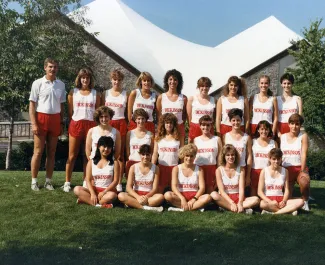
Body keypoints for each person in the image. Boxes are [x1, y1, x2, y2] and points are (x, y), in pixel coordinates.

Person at [29, 58, 66, 191]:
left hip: (55, 119)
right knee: (38, 152)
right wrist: (34, 123)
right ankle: (34, 181)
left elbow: (62, 106)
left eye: (55, 67)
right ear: (45, 67)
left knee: (52, 152)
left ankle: (48, 181)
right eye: (50, 67)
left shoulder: (61, 84)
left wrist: (62, 122)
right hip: (41, 118)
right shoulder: (37, 83)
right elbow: (32, 104)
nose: (53, 69)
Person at [63, 68, 100, 192]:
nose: (85, 80)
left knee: (87, 155)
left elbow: (98, 112)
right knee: (72, 155)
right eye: (83, 77)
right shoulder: (73, 92)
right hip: (76, 124)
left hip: (90, 125)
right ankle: (67, 182)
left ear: (90, 80)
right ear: (79, 79)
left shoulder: (95, 93)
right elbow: (69, 112)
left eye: (87, 78)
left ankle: (86, 180)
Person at [210, 144, 260, 214]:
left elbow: (241, 189)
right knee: (213, 194)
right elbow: (221, 191)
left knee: (256, 199)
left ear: (235, 156)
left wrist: (240, 202)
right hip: (225, 198)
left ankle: (228, 208)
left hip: (238, 197)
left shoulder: (241, 169)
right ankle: (238, 209)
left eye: (233, 155)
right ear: (224, 157)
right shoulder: (219, 170)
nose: (231, 157)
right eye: (228, 155)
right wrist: (231, 202)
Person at [74, 136, 119, 208]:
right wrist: (92, 193)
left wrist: (104, 192)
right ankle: (99, 205)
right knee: (77, 189)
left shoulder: (115, 163)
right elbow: (88, 180)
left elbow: (116, 181)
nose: (106, 149)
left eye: (109, 147)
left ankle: (86, 200)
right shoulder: (91, 162)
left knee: (112, 196)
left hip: (107, 191)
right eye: (104, 146)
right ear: (98, 147)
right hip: (94, 190)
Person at [164, 144, 211, 212]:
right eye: (187, 155)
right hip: (180, 196)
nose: (189, 158)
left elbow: (202, 188)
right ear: (183, 156)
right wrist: (182, 198)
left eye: (191, 156)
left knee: (208, 197)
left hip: (194, 196)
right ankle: (195, 207)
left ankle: (181, 208)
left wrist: (193, 199)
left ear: (195, 157)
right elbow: (173, 187)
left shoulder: (199, 169)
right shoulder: (176, 168)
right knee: (167, 195)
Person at [103, 69, 128, 192]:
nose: (116, 82)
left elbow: (128, 113)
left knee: (119, 155)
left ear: (122, 81)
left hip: (121, 123)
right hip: (108, 124)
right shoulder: (106, 93)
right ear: (111, 80)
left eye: (119, 80)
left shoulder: (125, 94)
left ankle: (118, 182)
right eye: (114, 79)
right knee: (107, 153)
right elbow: (101, 111)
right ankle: (106, 180)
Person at [118, 144, 164, 212]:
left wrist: (146, 197)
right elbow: (128, 187)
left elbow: (155, 189)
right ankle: (147, 208)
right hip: (136, 195)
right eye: (143, 154)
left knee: (160, 197)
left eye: (147, 154)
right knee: (121, 195)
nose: (145, 157)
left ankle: (133, 204)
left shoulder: (156, 168)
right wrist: (138, 197)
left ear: (151, 155)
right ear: (140, 155)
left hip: (149, 197)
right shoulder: (133, 167)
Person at [258, 148, 304, 215]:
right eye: (274, 159)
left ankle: (275, 213)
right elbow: (259, 192)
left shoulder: (285, 171)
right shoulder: (264, 171)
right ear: (270, 159)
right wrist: (270, 201)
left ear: (281, 159)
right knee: (262, 204)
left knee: (301, 202)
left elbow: (286, 189)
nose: (276, 161)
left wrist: (284, 201)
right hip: (268, 199)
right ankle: (288, 211)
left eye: (278, 159)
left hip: (281, 198)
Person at [280, 114, 310, 211]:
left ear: (300, 125)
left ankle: (305, 201)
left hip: (299, 167)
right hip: (287, 169)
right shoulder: (282, 137)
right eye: (292, 123)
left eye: (297, 124)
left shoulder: (303, 136)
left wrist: (302, 171)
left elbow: (304, 154)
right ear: (288, 124)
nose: (294, 126)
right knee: (287, 198)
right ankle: (298, 201)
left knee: (304, 182)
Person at [85, 106, 121, 187]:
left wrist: (109, 162)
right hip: (94, 163)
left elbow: (117, 151)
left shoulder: (116, 132)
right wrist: (93, 163)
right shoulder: (92, 131)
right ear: (98, 118)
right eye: (101, 117)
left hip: (109, 164)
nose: (104, 119)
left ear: (110, 117)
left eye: (106, 116)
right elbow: (87, 150)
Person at [151, 113, 182, 193]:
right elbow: (155, 153)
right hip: (161, 168)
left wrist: (182, 169)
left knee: (175, 192)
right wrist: (152, 167)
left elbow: (182, 155)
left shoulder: (179, 137)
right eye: (167, 123)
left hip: (175, 168)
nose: (169, 125)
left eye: (171, 123)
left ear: (174, 124)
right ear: (163, 124)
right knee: (159, 193)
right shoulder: (158, 137)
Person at [223, 108, 252, 188]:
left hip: (242, 169)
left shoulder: (247, 137)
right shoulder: (225, 136)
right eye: (233, 120)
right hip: (229, 171)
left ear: (241, 120)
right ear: (230, 121)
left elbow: (249, 156)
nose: (236, 122)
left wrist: (248, 175)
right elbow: (222, 156)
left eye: (238, 120)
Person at [194, 115, 222, 193]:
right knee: (199, 192)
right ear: (200, 126)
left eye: (208, 125)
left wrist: (219, 171)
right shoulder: (196, 140)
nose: (205, 127)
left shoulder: (217, 139)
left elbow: (220, 157)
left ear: (211, 126)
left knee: (211, 193)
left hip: (211, 168)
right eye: (203, 125)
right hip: (198, 169)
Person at [156, 69, 187, 138]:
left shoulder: (184, 98)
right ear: (167, 81)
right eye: (170, 79)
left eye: (175, 79)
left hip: (179, 128)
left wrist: (179, 125)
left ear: (179, 82)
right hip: (165, 129)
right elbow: (159, 116)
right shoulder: (161, 97)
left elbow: (184, 115)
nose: (172, 82)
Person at [125, 109, 154, 179]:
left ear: (146, 120)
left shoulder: (150, 135)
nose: (140, 121)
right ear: (135, 120)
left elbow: (152, 151)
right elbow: (127, 150)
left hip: (145, 163)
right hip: (132, 162)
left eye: (143, 119)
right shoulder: (129, 133)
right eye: (138, 119)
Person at [250, 120, 277, 196]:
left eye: (266, 129)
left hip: (268, 171)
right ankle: (253, 205)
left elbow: (277, 159)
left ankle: (265, 205)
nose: (264, 131)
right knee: (254, 189)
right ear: (258, 130)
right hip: (255, 170)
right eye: (262, 129)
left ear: (269, 130)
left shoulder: (273, 143)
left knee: (266, 191)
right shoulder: (253, 142)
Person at [187, 77, 216, 142]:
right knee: (193, 149)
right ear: (198, 87)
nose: (204, 88)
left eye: (207, 86)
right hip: (195, 127)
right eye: (202, 86)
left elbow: (214, 116)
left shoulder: (213, 100)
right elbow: (189, 117)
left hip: (208, 128)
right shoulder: (192, 99)